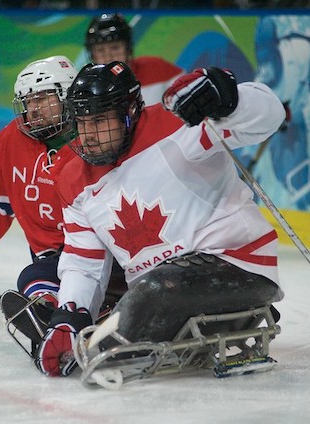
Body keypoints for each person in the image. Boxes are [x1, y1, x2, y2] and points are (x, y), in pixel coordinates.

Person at [34, 61, 286, 377]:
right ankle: (85, 325)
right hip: (158, 289)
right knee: (68, 280)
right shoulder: (73, 179)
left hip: (236, 268)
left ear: (129, 113)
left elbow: (269, 116)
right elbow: (83, 262)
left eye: (99, 121)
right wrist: (71, 314)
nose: (89, 135)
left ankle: (115, 332)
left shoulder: (178, 125)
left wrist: (230, 97)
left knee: (155, 288)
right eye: (81, 122)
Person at [0, 56, 124, 356]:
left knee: (35, 279)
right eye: (27, 100)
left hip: (114, 255)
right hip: (56, 264)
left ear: (66, 95)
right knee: (33, 278)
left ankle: (79, 314)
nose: (33, 109)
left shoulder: (97, 137)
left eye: (42, 98)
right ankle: (64, 316)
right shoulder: (5, 145)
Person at [84, 12, 184, 107]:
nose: (109, 57)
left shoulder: (158, 68)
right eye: (100, 50)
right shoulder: (86, 87)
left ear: (128, 48)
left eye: (115, 48)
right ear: (92, 54)